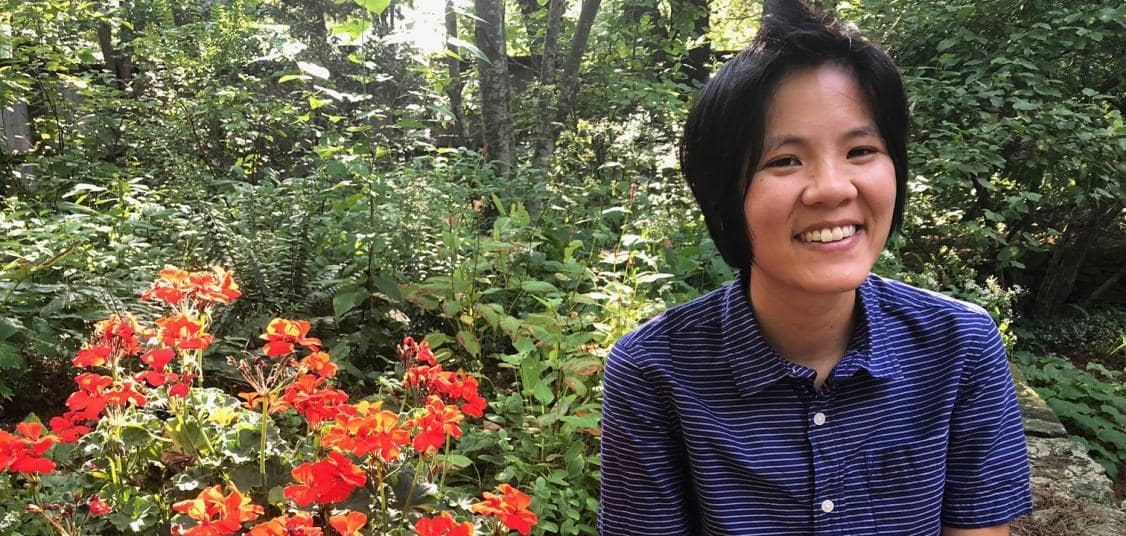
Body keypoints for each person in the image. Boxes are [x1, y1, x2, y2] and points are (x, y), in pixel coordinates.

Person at [598, 1, 1033, 535]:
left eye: (861, 150)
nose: (832, 188)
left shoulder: (959, 345)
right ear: (722, 195)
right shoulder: (655, 371)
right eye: (784, 160)